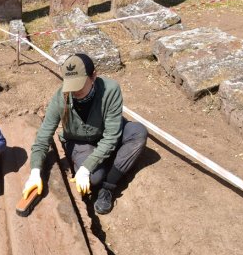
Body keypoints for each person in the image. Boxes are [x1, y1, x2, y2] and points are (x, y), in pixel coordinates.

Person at [22, 53, 148, 214]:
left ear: (93, 76)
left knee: (138, 133)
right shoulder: (60, 98)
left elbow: (111, 136)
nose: (74, 91)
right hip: (80, 141)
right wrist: (34, 172)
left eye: (79, 85)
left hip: (107, 133)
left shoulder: (110, 90)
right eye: (70, 86)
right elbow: (43, 137)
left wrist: (85, 168)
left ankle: (108, 188)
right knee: (93, 177)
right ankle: (102, 169)